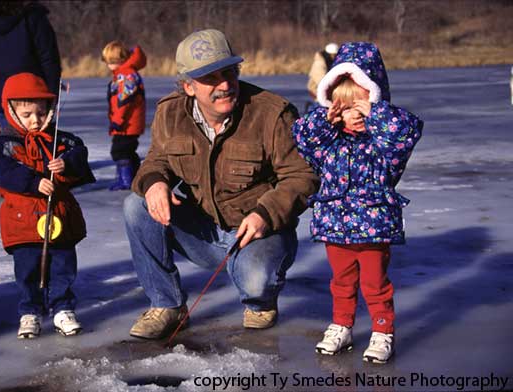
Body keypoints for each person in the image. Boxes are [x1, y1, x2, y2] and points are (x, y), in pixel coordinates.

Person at [123, 29, 319, 340]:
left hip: (258, 234)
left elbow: (302, 176)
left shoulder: (272, 114)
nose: (225, 85)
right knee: (137, 205)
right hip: (203, 233)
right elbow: (156, 161)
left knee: (255, 282)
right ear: (188, 86)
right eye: (211, 78)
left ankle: (260, 301)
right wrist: (154, 183)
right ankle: (168, 305)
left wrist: (265, 214)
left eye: (229, 72)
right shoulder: (169, 112)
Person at [292, 42, 423, 363]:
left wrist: (375, 111)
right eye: (347, 107)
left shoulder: (384, 146)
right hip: (334, 227)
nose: (356, 113)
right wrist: (326, 119)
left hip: (374, 228)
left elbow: (406, 131)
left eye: (363, 104)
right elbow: (301, 136)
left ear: (377, 101)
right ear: (334, 108)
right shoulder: (327, 144)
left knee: (374, 284)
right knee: (341, 282)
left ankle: (382, 331)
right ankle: (341, 326)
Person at [0, 73, 95, 339]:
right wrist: (33, 181)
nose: (36, 120)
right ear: (11, 111)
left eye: (41, 113)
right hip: (23, 223)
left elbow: (80, 153)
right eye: (28, 113)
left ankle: (63, 308)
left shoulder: (62, 141)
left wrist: (67, 163)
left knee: (63, 266)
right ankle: (30, 311)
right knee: (28, 269)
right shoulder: (3, 145)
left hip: (60, 220)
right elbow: (2, 171)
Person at [0, 1, 61, 127]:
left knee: (9, 144)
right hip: (34, 102)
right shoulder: (33, 17)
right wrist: (52, 98)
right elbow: (50, 60)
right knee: (36, 145)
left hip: (2, 99)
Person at [101, 40, 147, 190]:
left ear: (120, 60)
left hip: (127, 124)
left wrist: (117, 121)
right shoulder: (123, 73)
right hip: (128, 123)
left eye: (111, 62)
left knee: (120, 150)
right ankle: (133, 176)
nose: (108, 65)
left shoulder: (126, 75)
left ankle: (126, 179)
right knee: (128, 150)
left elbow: (124, 102)